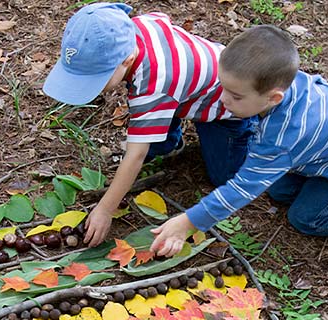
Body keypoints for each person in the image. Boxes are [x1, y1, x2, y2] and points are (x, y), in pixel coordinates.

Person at [150, 25, 328, 257]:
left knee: (306, 218)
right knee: (279, 191)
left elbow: (241, 189)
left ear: (274, 98)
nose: (224, 99)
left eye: (235, 97)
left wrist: (187, 221)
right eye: (225, 88)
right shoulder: (287, 80)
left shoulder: (281, 138)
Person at [43, 2, 254, 247]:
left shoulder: (155, 86)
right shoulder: (131, 31)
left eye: (97, 79)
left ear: (127, 60)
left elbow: (135, 156)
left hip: (226, 108)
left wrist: (105, 209)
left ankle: (253, 136)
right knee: (155, 113)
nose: (95, 87)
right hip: (185, 90)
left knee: (225, 176)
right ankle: (169, 140)